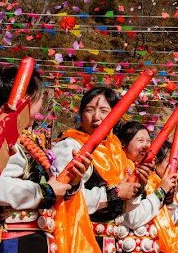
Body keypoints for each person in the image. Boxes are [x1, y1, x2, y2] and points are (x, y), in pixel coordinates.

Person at [0, 66, 91, 252]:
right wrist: (44, 191)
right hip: (9, 241)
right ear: (26, 101)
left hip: (30, 240)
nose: (41, 106)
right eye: (40, 99)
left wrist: (71, 181)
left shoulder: (22, 137)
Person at [52, 87, 142, 249]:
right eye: (89, 110)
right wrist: (115, 194)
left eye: (104, 110)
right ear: (81, 114)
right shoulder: (71, 145)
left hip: (111, 241)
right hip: (79, 238)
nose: (96, 117)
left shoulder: (116, 151)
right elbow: (65, 196)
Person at [114, 120, 178, 252]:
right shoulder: (119, 169)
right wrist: (162, 191)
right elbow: (133, 219)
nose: (146, 145)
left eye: (148, 141)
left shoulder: (152, 177)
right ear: (123, 144)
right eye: (140, 140)